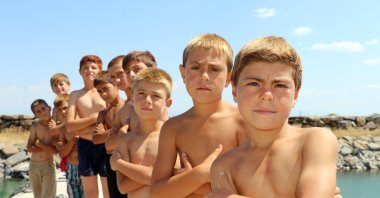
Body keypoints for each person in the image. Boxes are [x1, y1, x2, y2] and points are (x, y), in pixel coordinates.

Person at [208, 36, 338, 197]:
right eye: (254, 83)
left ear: (295, 95)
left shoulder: (315, 142)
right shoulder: (223, 167)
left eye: (280, 85)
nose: (267, 95)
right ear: (235, 90)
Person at [150, 33, 247, 197]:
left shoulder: (242, 122)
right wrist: (201, 174)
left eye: (214, 69)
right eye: (195, 67)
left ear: (229, 77)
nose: (204, 76)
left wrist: (189, 180)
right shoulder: (173, 128)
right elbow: (157, 192)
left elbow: (252, 190)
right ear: (182, 73)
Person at [110, 67, 174, 198]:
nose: (147, 100)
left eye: (156, 95)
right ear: (132, 99)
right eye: (141, 93)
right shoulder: (125, 140)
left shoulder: (172, 136)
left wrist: (119, 164)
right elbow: (123, 187)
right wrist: (153, 174)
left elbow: (174, 177)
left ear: (167, 103)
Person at [66, 55, 109, 198]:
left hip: (104, 144)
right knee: (90, 194)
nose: (89, 70)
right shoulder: (75, 95)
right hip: (84, 145)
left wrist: (82, 127)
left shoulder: (105, 92)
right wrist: (95, 118)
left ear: (100, 70)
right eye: (85, 68)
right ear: (80, 71)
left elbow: (110, 122)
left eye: (93, 67)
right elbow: (70, 125)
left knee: (108, 191)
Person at [92, 70, 126, 198]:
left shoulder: (127, 106)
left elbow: (128, 132)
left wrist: (104, 133)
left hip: (126, 157)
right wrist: (115, 132)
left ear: (116, 85)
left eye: (106, 89)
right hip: (110, 160)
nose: (104, 94)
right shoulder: (103, 113)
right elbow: (95, 139)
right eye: (99, 91)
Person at [53, 94, 84, 198]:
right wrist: (72, 142)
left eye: (65, 108)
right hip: (71, 167)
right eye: (59, 110)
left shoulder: (82, 124)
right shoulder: (63, 130)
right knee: (73, 195)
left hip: (85, 165)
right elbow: (62, 153)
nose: (63, 112)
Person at [27, 99, 58, 198]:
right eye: (38, 111)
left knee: (48, 195)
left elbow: (55, 150)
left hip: (48, 165)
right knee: (37, 195)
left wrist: (40, 144)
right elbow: (29, 148)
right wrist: (47, 148)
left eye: (43, 108)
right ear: (36, 115)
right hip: (34, 165)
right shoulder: (35, 126)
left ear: (49, 108)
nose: (42, 112)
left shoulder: (55, 126)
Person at [48, 73, 71, 172]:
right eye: (55, 85)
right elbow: (52, 130)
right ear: (52, 89)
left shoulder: (74, 100)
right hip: (64, 142)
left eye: (61, 84)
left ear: (68, 85)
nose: (59, 87)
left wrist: (61, 125)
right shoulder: (55, 108)